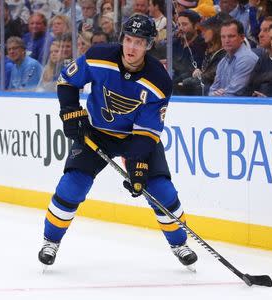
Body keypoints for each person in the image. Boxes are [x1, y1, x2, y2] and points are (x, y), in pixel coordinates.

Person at [38, 14, 198, 271]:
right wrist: (70, 112)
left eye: (139, 43)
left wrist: (138, 166)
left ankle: (180, 243)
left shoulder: (159, 80)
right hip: (97, 132)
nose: (131, 48)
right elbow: (67, 81)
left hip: (137, 138)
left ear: (149, 45)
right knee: (72, 185)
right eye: (128, 40)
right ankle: (51, 241)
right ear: (122, 39)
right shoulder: (99, 56)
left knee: (161, 190)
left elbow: (146, 133)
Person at [208, 19, 259, 96]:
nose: (226, 40)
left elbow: (233, 93)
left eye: (231, 36)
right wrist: (214, 94)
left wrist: (217, 95)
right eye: (223, 37)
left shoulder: (247, 59)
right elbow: (211, 91)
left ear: (242, 38)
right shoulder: (223, 61)